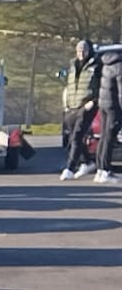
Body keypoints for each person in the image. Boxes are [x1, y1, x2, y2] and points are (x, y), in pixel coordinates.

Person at [61, 39, 102, 178]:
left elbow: (101, 85)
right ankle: (88, 162)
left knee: (77, 136)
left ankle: (70, 168)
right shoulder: (72, 66)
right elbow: (69, 85)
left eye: (84, 50)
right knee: (73, 136)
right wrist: (66, 104)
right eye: (79, 50)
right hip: (72, 106)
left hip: (87, 106)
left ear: (89, 51)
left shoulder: (96, 65)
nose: (81, 53)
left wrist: (94, 101)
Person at [95, 46, 122, 185]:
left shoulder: (106, 64)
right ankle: (105, 170)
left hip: (104, 104)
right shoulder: (120, 66)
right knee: (109, 138)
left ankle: (100, 169)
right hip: (114, 107)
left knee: (104, 137)